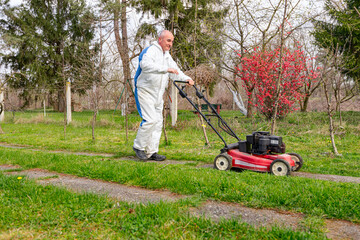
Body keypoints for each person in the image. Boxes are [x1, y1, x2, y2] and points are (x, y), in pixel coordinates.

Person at [133, 30, 194, 161]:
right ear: (160, 39)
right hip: (144, 91)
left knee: (158, 123)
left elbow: (175, 72)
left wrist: (187, 79)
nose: (170, 44)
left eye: (172, 41)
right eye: (168, 40)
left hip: (158, 94)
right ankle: (138, 146)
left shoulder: (167, 56)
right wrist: (165, 69)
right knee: (150, 120)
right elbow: (145, 65)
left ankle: (151, 152)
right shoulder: (150, 51)